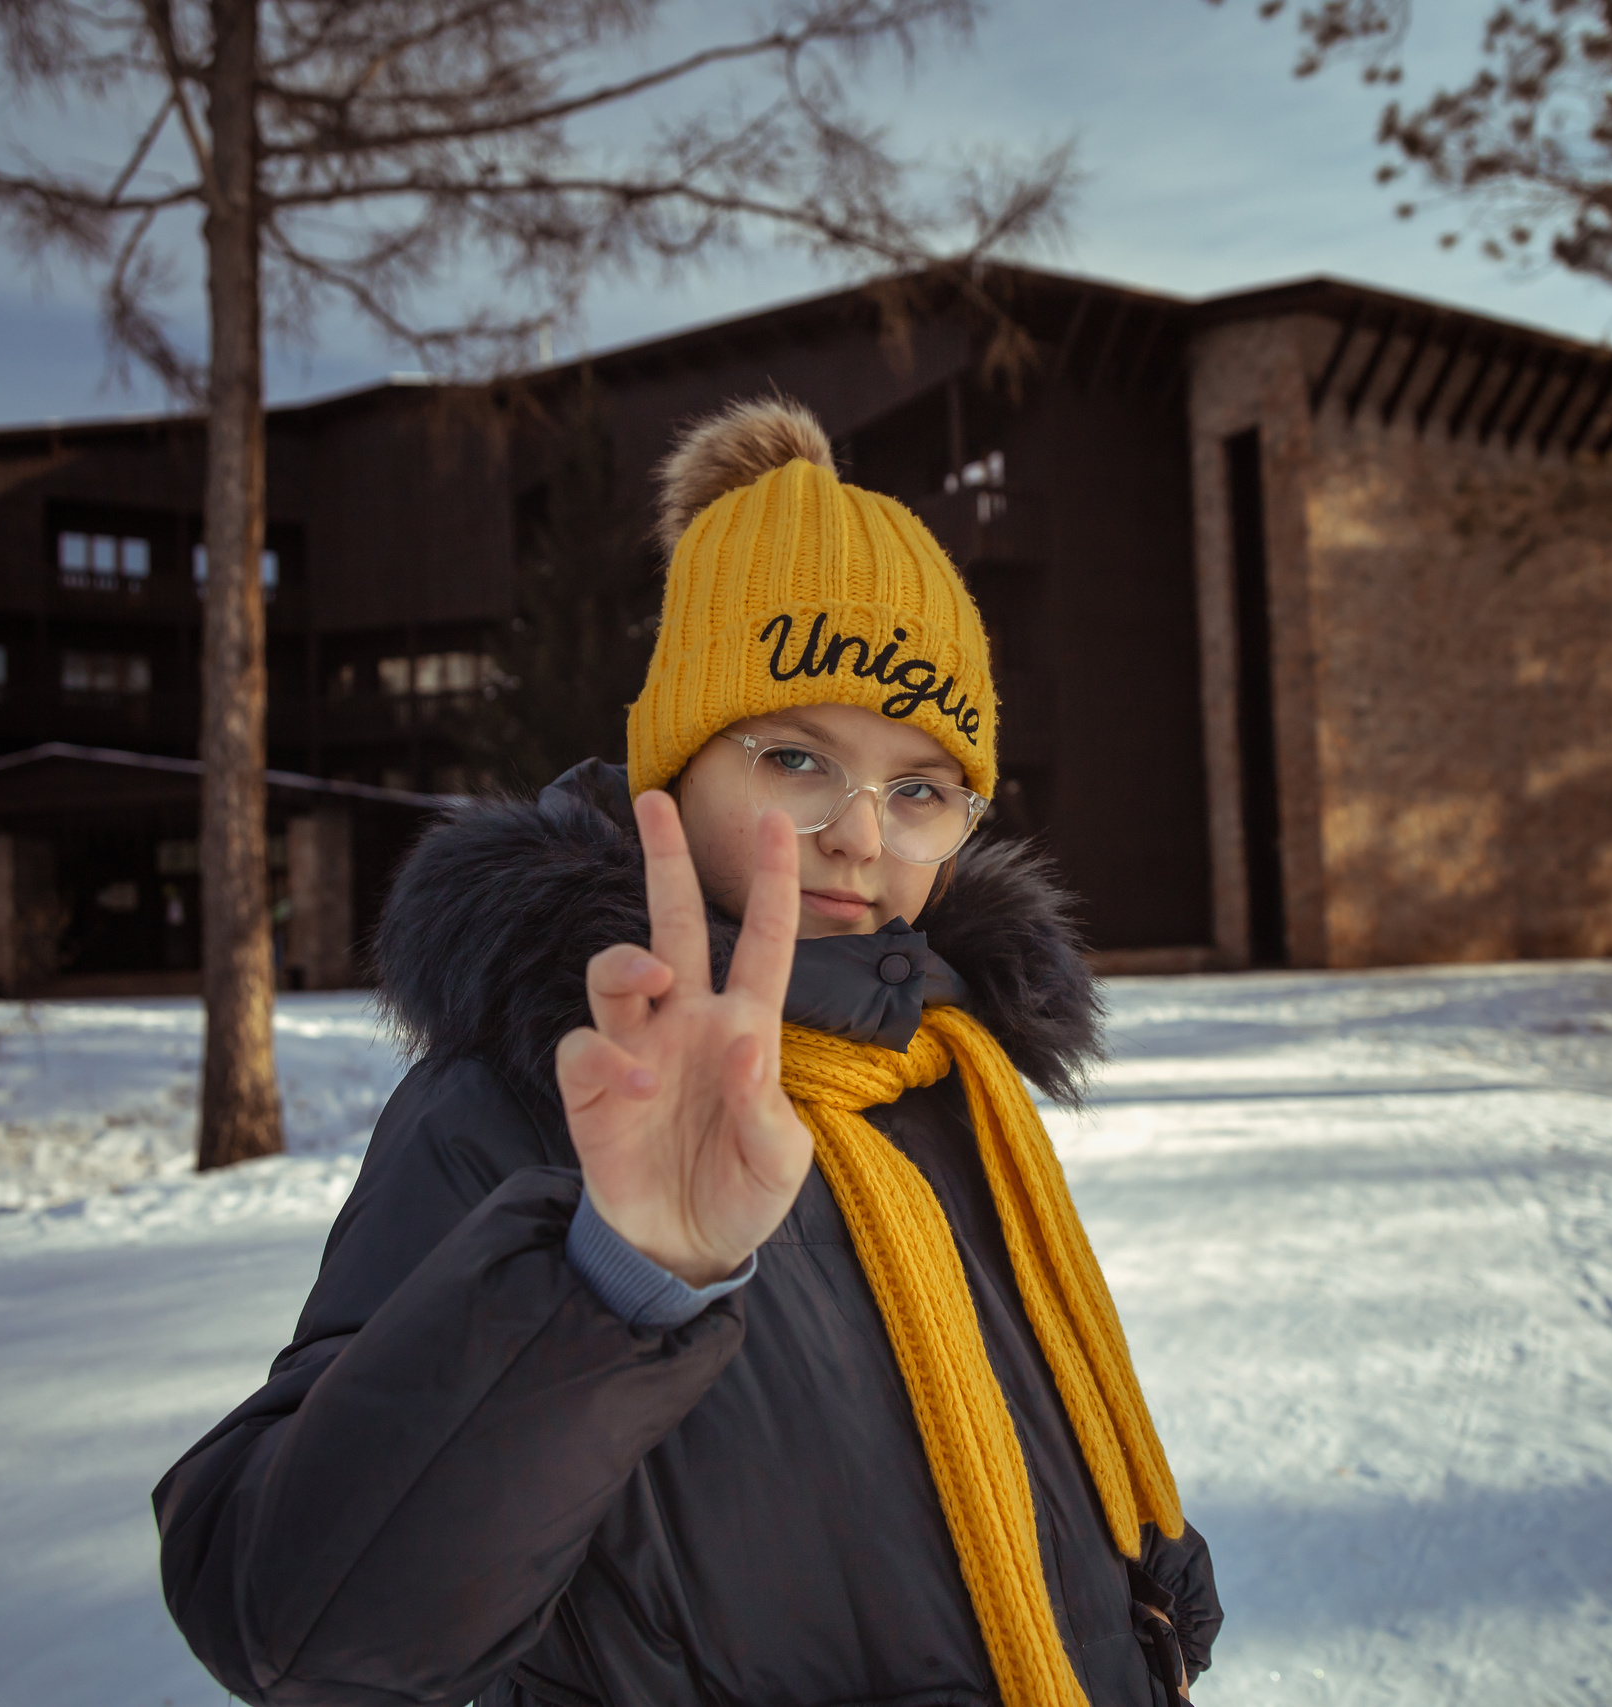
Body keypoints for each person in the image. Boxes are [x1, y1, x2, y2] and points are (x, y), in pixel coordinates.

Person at [154, 397, 1222, 1707]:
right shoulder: (531, 1098)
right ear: (674, 768)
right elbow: (299, 1630)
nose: (860, 837)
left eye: (921, 788)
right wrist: (620, 1281)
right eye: (797, 758)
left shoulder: (950, 1082)